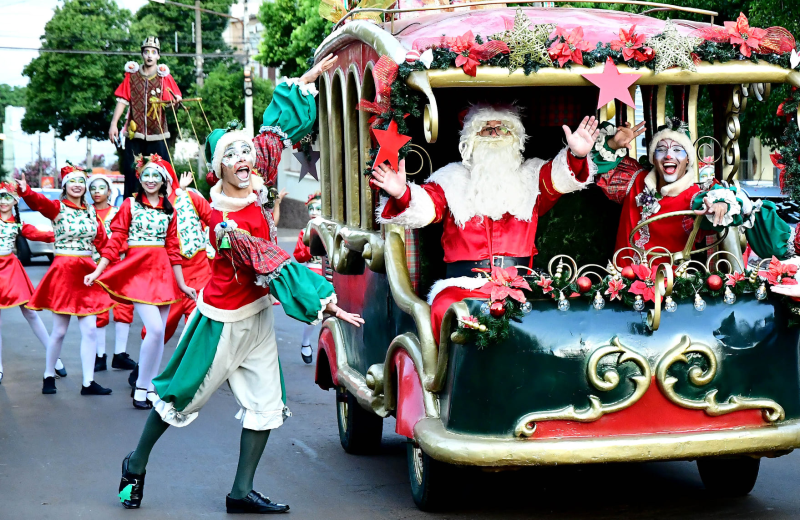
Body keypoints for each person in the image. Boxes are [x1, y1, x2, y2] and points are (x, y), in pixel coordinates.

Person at [115, 54, 359, 515]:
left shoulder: (258, 175)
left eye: (244, 151)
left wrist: (306, 79)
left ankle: (240, 491)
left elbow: (273, 130)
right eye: (231, 154)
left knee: (267, 404)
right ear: (218, 168)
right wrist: (325, 301)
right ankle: (136, 462)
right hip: (221, 321)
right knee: (178, 398)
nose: (243, 157)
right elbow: (272, 262)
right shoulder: (223, 221)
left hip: (257, 320)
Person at [371, 104, 599, 342]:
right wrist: (402, 193)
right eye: (485, 129)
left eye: (501, 128)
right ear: (470, 138)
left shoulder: (532, 176)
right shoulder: (451, 178)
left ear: (515, 137)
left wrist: (577, 155)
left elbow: (560, 178)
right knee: (446, 311)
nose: (493, 133)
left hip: (521, 284)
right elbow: (427, 207)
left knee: (562, 313)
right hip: (463, 287)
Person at [84, 156, 195, 410]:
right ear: (140, 179)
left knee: (158, 335)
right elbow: (115, 241)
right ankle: (141, 389)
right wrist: (98, 271)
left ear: (164, 180)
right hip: (138, 272)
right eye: (147, 175)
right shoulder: (130, 205)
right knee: (155, 330)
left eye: (156, 176)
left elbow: (173, 250)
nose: (151, 180)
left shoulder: (170, 210)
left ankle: (150, 387)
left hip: (164, 275)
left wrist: (182, 284)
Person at [591, 118, 774, 264]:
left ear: (687, 160)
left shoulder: (696, 195)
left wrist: (721, 205)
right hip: (621, 289)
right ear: (653, 158)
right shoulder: (633, 179)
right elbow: (593, 166)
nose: (669, 155)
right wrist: (613, 145)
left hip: (671, 292)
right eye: (661, 150)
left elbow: (719, 205)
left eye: (678, 150)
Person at [17, 166, 115, 395]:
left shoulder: (92, 212)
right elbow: (39, 202)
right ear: (65, 186)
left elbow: (103, 243)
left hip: (87, 273)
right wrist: (26, 192)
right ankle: (48, 374)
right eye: (73, 181)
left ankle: (88, 382)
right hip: (63, 272)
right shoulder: (57, 208)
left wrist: (120, 265)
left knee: (90, 330)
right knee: (60, 331)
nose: (78, 185)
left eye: (81, 181)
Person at [0, 181, 60, 384]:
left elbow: (41, 235)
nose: (3, 201)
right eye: (0, 197)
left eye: (8, 197)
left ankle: (55, 357)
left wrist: (62, 235)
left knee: (30, 312)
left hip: (10, 267)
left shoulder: (18, 224)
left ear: (15, 200)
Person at [109, 36, 181, 197]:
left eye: (153, 52)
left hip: (158, 132)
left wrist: (175, 102)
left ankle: (166, 205)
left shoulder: (164, 77)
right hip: (135, 133)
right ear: (142, 54)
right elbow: (122, 100)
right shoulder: (132, 75)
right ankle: (131, 207)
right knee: (131, 170)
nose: (149, 55)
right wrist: (114, 124)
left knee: (163, 171)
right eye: (146, 51)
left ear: (158, 56)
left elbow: (172, 102)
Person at [86, 173, 137, 373]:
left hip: (118, 265)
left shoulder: (119, 211)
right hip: (93, 267)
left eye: (101, 188)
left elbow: (128, 235)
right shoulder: (86, 213)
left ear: (109, 191)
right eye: (93, 188)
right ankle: (100, 355)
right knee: (99, 311)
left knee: (124, 308)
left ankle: (120, 354)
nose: (97, 192)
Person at [292, 191, 323, 363]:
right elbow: (299, 256)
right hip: (313, 274)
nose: (314, 211)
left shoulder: (331, 228)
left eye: (318, 208)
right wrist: (309, 246)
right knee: (315, 312)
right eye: (311, 208)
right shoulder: (304, 232)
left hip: (332, 274)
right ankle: (306, 342)